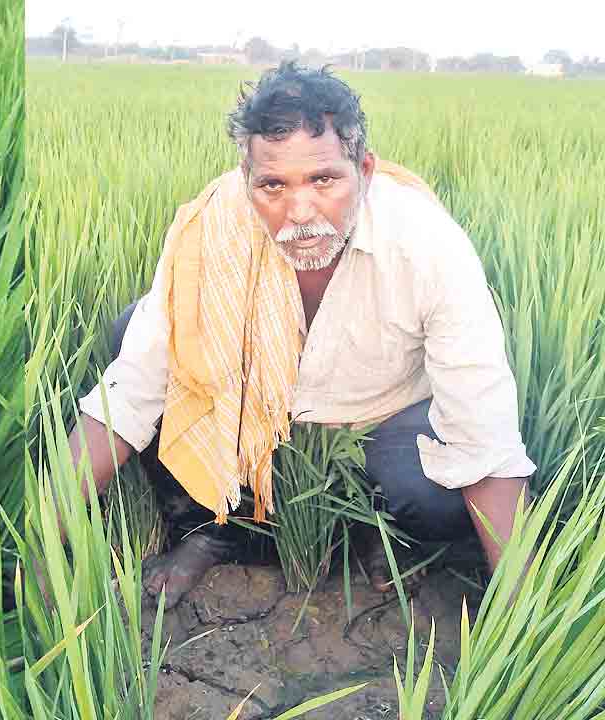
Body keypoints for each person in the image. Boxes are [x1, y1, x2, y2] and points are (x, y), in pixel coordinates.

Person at [69, 62, 534, 609]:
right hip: (252, 399)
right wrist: (43, 546)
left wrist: (518, 612)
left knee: (428, 491)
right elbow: (131, 390)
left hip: (382, 416)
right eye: (273, 185)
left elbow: (484, 427)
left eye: (324, 180)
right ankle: (208, 532)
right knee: (134, 331)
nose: (300, 211)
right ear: (247, 180)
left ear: (363, 169)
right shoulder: (212, 228)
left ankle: (380, 533)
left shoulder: (428, 245)